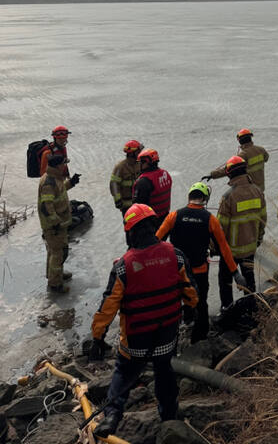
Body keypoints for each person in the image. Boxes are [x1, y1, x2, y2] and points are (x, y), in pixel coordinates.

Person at [89, 203, 198, 439]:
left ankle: (112, 415)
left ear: (130, 232)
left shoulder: (123, 266)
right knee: (164, 371)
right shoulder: (176, 255)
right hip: (167, 336)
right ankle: (169, 415)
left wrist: (97, 338)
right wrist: (191, 309)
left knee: (123, 371)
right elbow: (191, 292)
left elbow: (108, 307)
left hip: (135, 342)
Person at [156, 182, 245, 342]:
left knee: (178, 301)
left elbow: (156, 241)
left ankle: (183, 326)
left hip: (177, 272)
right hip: (199, 271)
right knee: (201, 303)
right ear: (204, 199)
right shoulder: (210, 219)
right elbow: (224, 248)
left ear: (189, 197)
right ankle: (200, 338)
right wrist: (235, 273)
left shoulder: (174, 216)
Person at [216, 156, 267, 310]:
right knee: (249, 278)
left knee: (225, 280)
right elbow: (263, 219)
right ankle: (251, 307)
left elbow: (220, 227)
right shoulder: (257, 191)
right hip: (250, 246)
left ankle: (228, 309)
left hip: (231, 250)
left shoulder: (228, 196)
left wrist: (214, 247)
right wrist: (258, 238)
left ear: (230, 174)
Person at [38, 152, 81, 293]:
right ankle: (55, 284)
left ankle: (54, 275)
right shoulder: (48, 182)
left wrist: (71, 182)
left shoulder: (55, 178)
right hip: (53, 226)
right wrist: (55, 223)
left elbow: (60, 191)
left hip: (59, 223)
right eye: (63, 164)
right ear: (58, 165)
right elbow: (46, 206)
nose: (65, 166)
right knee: (58, 253)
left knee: (54, 251)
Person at [132, 148, 173, 225]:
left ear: (147, 162)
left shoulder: (143, 182)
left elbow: (138, 207)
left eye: (141, 162)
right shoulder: (165, 174)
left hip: (151, 223)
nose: (139, 165)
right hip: (165, 219)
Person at [110, 140, 143, 214]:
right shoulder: (120, 167)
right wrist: (117, 200)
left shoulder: (140, 164)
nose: (140, 153)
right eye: (138, 151)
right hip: (126, 205)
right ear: (131, 153)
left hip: (140, 203)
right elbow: (114, 184)